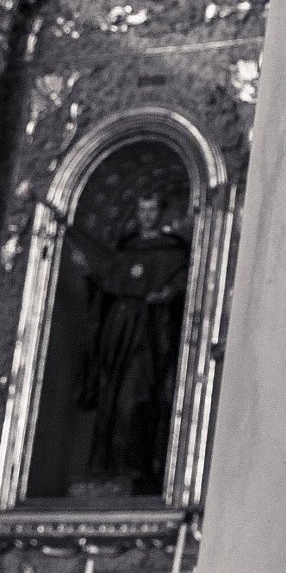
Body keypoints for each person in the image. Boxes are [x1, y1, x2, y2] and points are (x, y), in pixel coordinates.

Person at [51, 189, 192, 495]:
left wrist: (165, 295)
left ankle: (138, 467)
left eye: (152, 209)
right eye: (142, 209)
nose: (147, 215)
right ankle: (108, 468)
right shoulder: (125, 248)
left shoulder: (174, 250)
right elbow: (110, 283)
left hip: (153, 338)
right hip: (120, 336)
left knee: (139, 398)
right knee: (113, 400)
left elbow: (181, 286)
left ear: (162, 212)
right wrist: (90, 275)